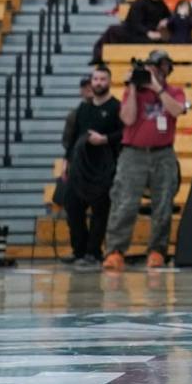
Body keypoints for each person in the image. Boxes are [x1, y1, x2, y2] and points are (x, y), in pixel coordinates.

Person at [101, 51, 186, 271]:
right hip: (133, 153)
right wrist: (132, 86)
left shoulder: (174, 92)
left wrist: (157, 89)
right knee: (125, 204)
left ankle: (158, 250)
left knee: (163, 204)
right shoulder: (133, 93)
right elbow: (127, 119)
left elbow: (177, 111)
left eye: (160, 67)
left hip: (163, 153)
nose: (156, 71)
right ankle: (115, 251)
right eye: (153, 67)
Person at [60, 64, 122, 266]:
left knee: (100, 212)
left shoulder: (116, 107)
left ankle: (93, 253)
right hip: (80, 168)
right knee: (73, 207)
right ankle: (79, 250)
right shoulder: (83, 108)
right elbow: (74, 137)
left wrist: (105, 139)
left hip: (105, 169)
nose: (98, 83)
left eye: (103, 79)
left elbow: (124, 135)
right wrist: (66, 161)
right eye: (95, 79)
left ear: (109, 82)